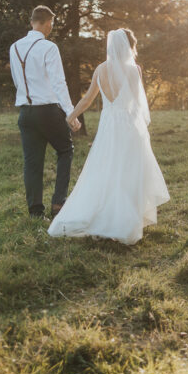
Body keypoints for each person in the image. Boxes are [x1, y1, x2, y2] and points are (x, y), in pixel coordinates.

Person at [47, 28, 169, 245]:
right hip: (130, 126)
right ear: (129, 46)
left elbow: (86, 101)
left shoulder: (101, 70)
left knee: (106, 168)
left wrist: (70, 117)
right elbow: (138, 103)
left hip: (109, 127)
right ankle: (126, 220)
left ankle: (106, 215)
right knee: (129, 171)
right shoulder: (134, 71)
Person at [9, 5, 80, 219]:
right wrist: (71, 113)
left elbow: (16, 79)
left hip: (25, 113)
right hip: (48, 111)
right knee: (65, 151)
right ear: (48, 23)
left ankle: (35, 212)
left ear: (32, 21)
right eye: (52, 24)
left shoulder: (14, 48)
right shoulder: (49, 47)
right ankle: (58, 203)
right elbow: (59, 83)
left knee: (32, 163)